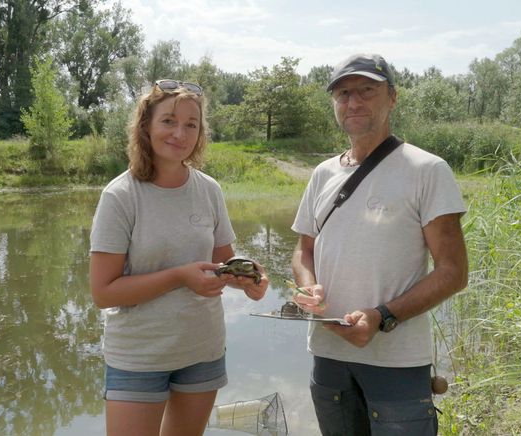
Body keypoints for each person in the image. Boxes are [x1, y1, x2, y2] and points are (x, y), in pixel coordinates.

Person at [290, 53, 468, 435]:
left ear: (393, 97)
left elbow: (453, 272)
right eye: (343, 93)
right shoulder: (322, 174)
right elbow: (303, 251)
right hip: (328, 354)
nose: (353, 102)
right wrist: (307, 285)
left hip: (398, 363)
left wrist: (382, 316)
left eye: (367, 90)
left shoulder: (427, 170)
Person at [89, 79, 269, 436]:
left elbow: (223, 264)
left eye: (191, 124)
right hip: (138, 355)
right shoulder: (120, 196)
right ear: (146, 126)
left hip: (202, 350)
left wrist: (250, 281)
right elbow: (103, 293)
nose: (180, 133)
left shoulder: (209, 190)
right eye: (169, 120)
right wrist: (180, 277)